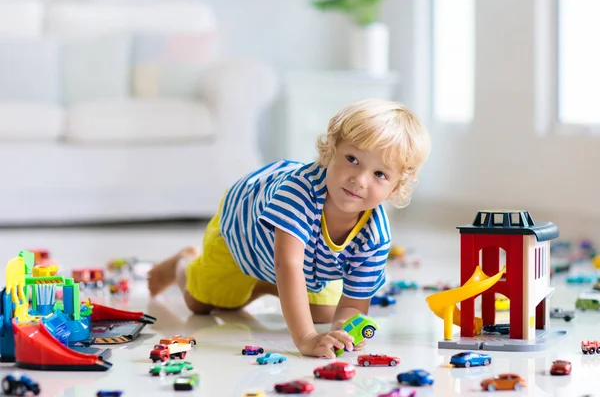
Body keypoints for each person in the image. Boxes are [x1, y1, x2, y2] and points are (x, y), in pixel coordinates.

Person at [147, 98, 431, 358]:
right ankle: (182, 262)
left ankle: (265, 286)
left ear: (396, 187)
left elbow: (354, 305)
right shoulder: (299, 194)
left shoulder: (376, 236)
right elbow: (287, 264)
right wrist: (307, 338)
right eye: (352, 159)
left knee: (325, 313)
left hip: (293, 266)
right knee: (202, 302)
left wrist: (344, 331)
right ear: (331, 151)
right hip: (242, 236)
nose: (359, 179)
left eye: (379, 174)